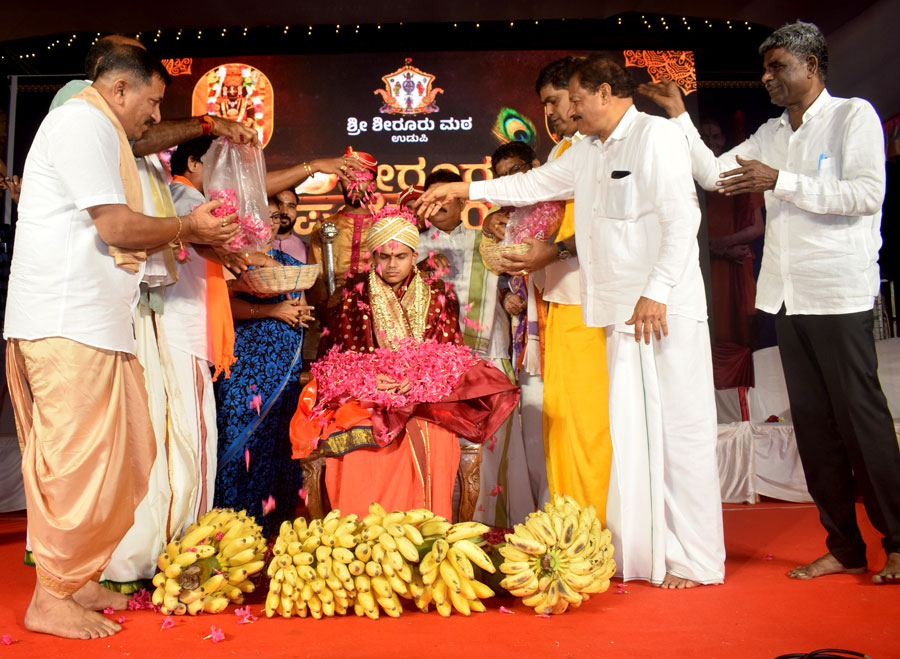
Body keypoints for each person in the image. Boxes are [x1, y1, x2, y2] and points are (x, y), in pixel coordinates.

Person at [419, 55, 726, 589]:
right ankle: (647, 554)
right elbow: (529, 186)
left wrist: (656, 292)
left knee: (679, 434)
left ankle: (695, 559)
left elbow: (684, 219)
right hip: (615, 313)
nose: (570, 112)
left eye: (576, 100)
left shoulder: (655, 137)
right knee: (633, 438)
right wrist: (462, 191)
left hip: (663, 310)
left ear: (604, 93)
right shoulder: (588, 150)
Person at [641, 20, 900, 584]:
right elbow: (714, 175)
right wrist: (680, 115)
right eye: (764, 69)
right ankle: (845, 547)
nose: (766, 78)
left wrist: (781, 181)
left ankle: (899, 541)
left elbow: (866, 194)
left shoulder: (852, 116)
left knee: (861, 419)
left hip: (839, 292)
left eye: (777, 67)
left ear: (812, 66)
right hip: (787, 297)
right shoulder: (771, 131)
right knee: (813, 426)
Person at [4, 45, 237, 639]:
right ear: (120, 89)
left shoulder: (102, 130)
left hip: (96, 322)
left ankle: (77, 577)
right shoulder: (81, 123)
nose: (154, 118)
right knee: (76, 465)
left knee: (122, 458)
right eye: (153, 102)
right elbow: (115, 226)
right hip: (65, 321)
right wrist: (189, 226)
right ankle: (49, 599)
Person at [296, 207, 519, 518]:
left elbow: (450, 354)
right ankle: (360, 530)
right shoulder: (352, 295)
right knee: (358, 429)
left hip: (425, 395)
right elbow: (339, 356)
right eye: (384, 257)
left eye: (400, 256)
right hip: (365, 395)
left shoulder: (438, 294)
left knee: (433, 433)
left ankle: (421, 528)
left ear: (414, 256)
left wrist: (420, 381)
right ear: (373, 257)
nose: (392, 265)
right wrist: (368, 381)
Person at [533, 56, 613, 523]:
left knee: (587, 420)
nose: (550, 113)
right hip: (559, 298)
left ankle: (595, 524)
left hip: (590, 299)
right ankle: (565, 519)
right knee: (560, 416)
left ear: (580, 95)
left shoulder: (599, 148)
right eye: (544, 104)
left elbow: (607, 225)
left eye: (555, 101)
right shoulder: (561, 151)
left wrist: (552, 251)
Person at [213, 200, 314, 538]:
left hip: (284, 366)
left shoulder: (290, 264)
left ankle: (275, 529)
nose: (269, 223)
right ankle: (233, 527)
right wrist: (272, 312)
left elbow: (298, 306)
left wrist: (299, 314)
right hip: (245, 364)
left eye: (273, 217)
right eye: (262, 216)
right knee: (241, 436)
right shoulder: (232, 261)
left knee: (278, 440)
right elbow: (222, 304)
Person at [307, 147, 379, 307]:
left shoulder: (384, 226)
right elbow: (316, 277)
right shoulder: (323, 226)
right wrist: (327, 309)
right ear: (340, 185)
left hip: (377, 306)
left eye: (362, 179)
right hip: (333, 306)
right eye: (350, 178)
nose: (356, 185)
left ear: (373, 185)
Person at [270, 188, 308, 263]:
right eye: (280, 204)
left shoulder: (307, 250)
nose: (284, 211)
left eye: (291, 206)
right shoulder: (254, 247)